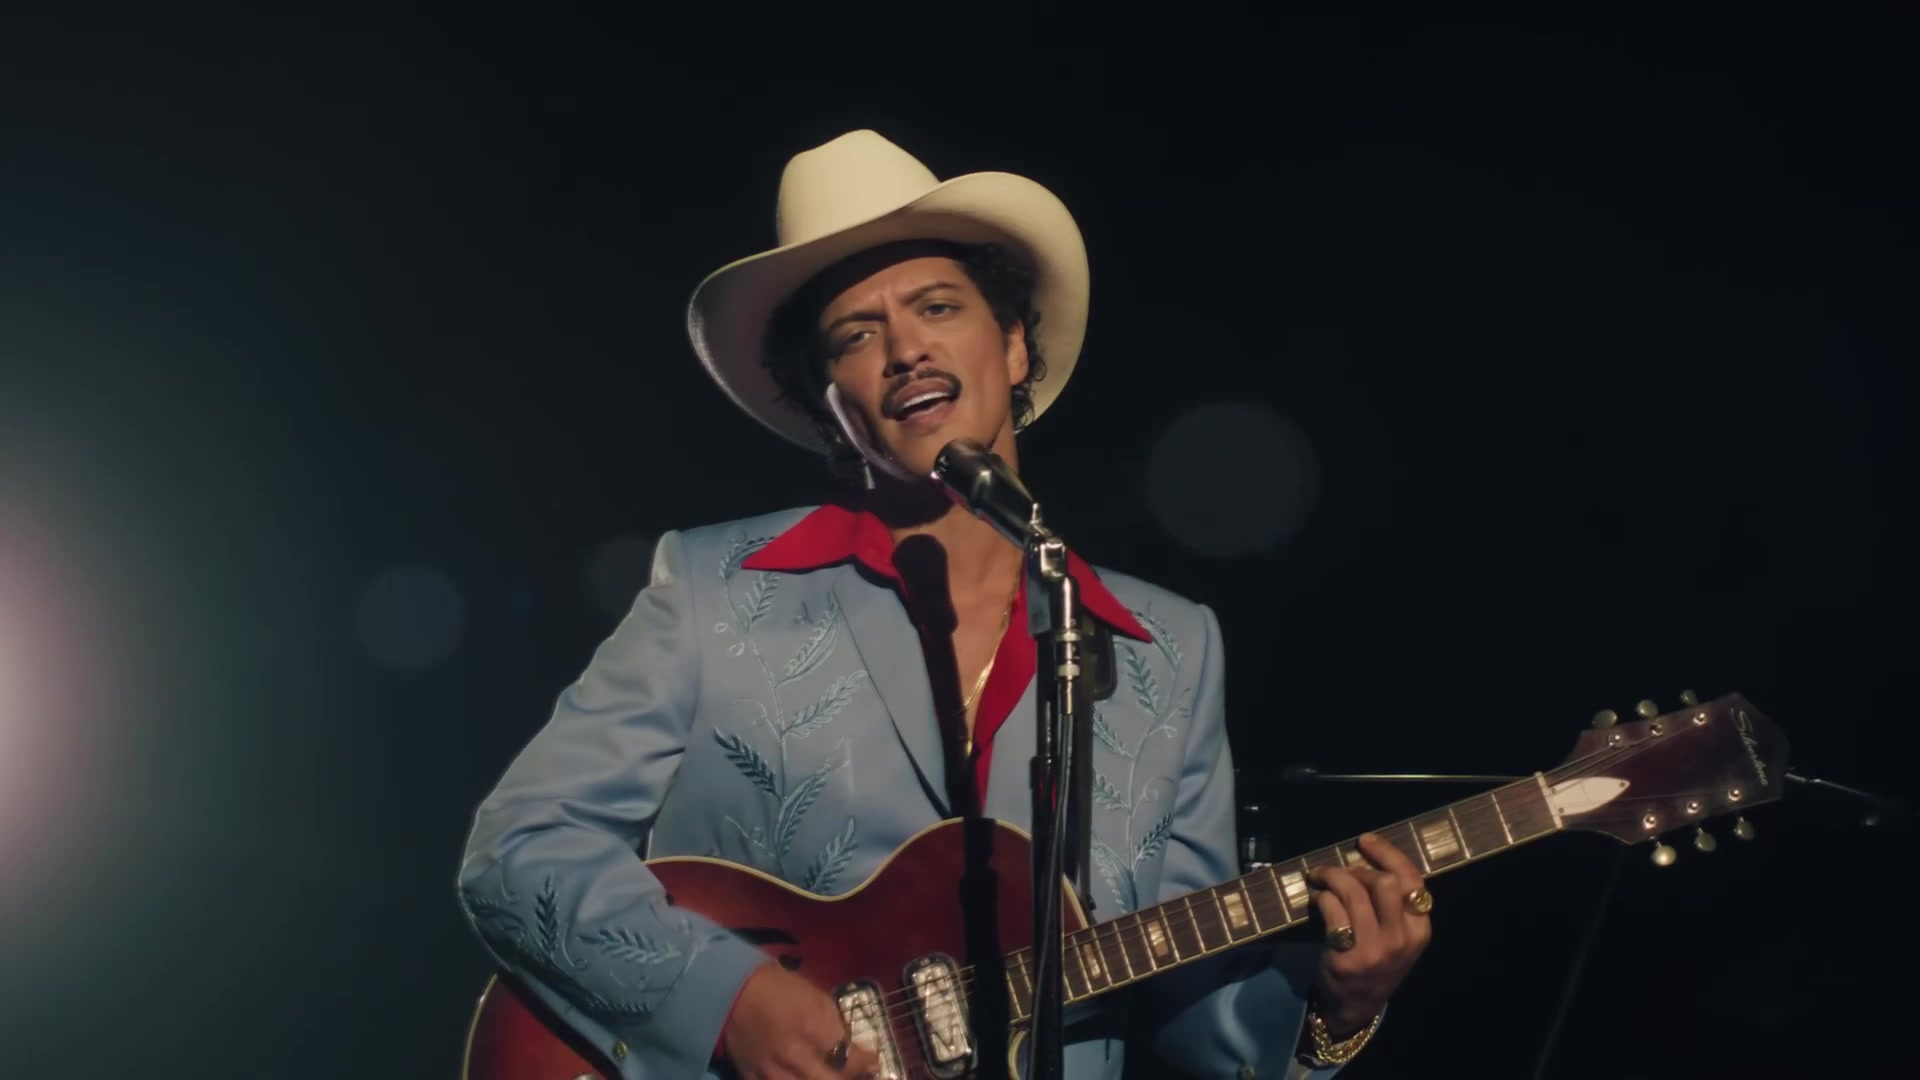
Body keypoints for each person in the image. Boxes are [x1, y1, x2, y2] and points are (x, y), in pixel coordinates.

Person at [457, 130, 1432, 1079]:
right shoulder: (716, 587)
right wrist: (729, 1003)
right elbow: (519, 851)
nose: (905, 351)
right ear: (826, 404)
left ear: (1013, 345)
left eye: (936, 306)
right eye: (855, 334)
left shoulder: (1168, 649)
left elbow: (1191, 1015)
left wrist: (1333, 1012)